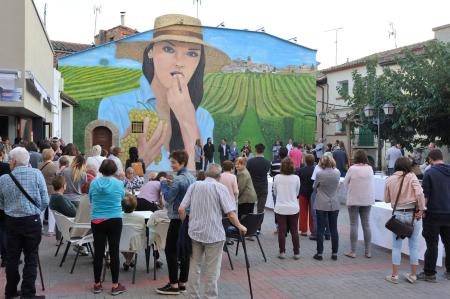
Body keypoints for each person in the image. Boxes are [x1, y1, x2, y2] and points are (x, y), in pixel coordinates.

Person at [99, 14, 230, 171]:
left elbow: (199, 175)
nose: (179, 62)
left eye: (192, 53)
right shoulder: (117, 106)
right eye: (168, 49)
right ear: (151, 52)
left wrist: (188, 121)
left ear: (199, 62)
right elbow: (109, 173)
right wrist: (140, 163)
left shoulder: (202, 118)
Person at [179, 163, 246, 299]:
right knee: (212, 270)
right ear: (219, 176)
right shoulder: (220, 188)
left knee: (194, 266)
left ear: (205, 174)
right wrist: (240, 226)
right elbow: (231, 213)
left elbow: (181, 209)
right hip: (214, 235)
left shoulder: (194, 185)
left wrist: (185, 223)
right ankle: (209, 297)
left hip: (195, 233)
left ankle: (192, 296)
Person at [0, 147, 49, 299]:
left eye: (10, 160)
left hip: (12, 222)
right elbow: (45, 200)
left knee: (12, 258)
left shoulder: (3, 179)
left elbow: (1, 204)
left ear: (14, 161)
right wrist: (35, 211)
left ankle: (10, 291)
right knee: (31, 257)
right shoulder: (36, 174)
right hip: (31, 221)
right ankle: (28, 293)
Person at [157, 150, 195, 295]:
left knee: (170, 250)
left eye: (173, 162)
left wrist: (163, 184)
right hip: (188, 218)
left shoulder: (179, 180)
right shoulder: (191, 177)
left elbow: (168, 198)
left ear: (182, 163)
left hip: (177, 218)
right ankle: (182, 283)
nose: (171, 165)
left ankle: (173, 285)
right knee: (184, 250)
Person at [384, 157, 425, 284]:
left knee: (396, 247)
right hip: (413, 214)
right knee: (413, 246)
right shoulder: (412, 176)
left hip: (398, 214)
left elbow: (386, 199)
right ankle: (413, 275)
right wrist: (421, 209)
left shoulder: (389, 179)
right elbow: (419, 193)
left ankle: (395, 276)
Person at [89, 159, 127, 295]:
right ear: (114, 170)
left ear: (101, 169)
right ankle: (115, 285)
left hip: (97, 220)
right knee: (114, 251)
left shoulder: (94, 183)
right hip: (115, 219)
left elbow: (91, 199)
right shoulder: (119, 184)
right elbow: (122, 198)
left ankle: (97, 284)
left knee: (98, 252)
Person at [417, 149, 450, 282]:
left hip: (433, 213)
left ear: (430, 159)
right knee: (449, 243)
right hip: (449, 212)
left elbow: (426, 195)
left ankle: (429, 273)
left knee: (432, 244)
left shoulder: (429, 172)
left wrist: (422, 210)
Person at [344, 150, 374, 258]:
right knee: (366, 225)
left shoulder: (352, 169)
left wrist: (351, 190)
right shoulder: (370, 168)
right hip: (367, 200)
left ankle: (353, 251)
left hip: (354, 199)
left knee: (354, 224)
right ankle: (368, 251)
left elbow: (345, 182)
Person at [313, 155, 340, 261]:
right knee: (334, 229)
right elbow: (337, 185)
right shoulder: (337, 172)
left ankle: (319, 253)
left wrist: (319, 188)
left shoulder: (319, 173)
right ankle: (334, 253)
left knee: (320, 228)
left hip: (321, 203)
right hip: (334, 202)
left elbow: (315, 187)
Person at [273, 158, 301, 259]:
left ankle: (282, 252)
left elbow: (275, 192)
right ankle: (296, 252)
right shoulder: (296, 178)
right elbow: (297, 192)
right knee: (294, 231)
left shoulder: (277, 177)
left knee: (281, 231)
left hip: (280, 207)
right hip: (293, 207)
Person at [121, 194, 146, 271]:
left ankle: (128, 261)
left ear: (122, 206)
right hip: (136, 243)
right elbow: (143, 232)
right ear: (135, 206)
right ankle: (129, 261)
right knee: (134, 239)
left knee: (121, 240)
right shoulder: (141, 217)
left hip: (120, 242)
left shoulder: (118, 217)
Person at [38, 149, 59, 236]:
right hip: (52, 189)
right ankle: (50, 230)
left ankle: (39, 228)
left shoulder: (39, 165)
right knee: (51, 210)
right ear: (52, 156)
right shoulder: (55, 166)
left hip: (41, 189)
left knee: (41, 209)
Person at [246, 143, 271, 214]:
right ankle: (258, 224)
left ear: (255, 150)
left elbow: (247, 174)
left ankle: (250, 224)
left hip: (252, 187)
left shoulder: (250, 162)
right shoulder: (267, 162)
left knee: (250, 209)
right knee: (260, 210)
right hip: (263, 187)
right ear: (263, 150)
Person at [297, 154, 315, 236]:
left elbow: (298, 181)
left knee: (303, 212)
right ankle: (313, 230)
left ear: (305, 161)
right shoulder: (316, 170)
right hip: (313, 193)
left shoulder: (301, 170)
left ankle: (303, 230)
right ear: (313, 161)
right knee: (312, 212)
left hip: (303, 192)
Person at [0, 148, 11, 268]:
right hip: (4, 201)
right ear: (2, 154)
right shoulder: (6, 167)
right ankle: (5, 257)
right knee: (4, 229)